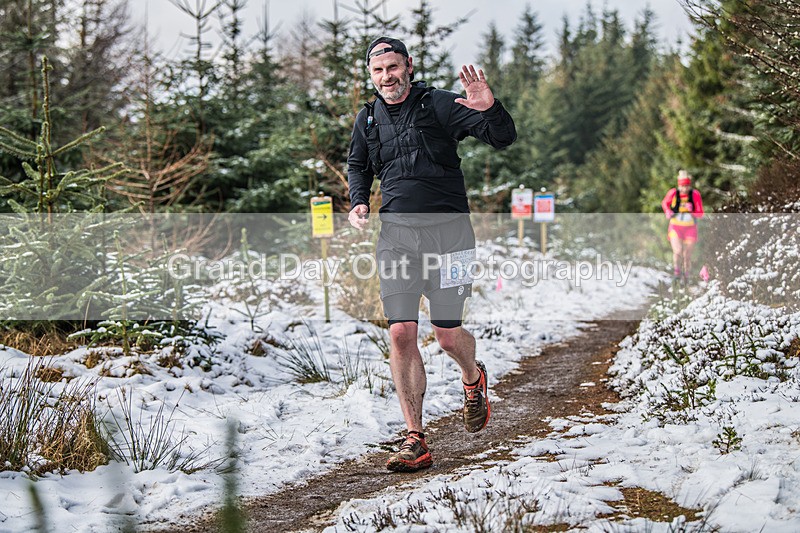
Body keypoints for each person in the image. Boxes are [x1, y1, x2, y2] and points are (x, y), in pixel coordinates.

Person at [347, 36, 516, 472]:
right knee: (401, 332)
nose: (387, 76)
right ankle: (415, 438)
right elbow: (358, 164)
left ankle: (472, 377)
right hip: (398, 237)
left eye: (394, 67)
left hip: (452, 237)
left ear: (408, 66)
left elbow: (502, 137)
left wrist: (488, 107)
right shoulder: (367, 119)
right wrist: (358, 199)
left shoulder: (439, 104)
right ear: (372, 75)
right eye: (379, 70)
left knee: (445, 335)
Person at [661, 170, 705, 284]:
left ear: (689, 185)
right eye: (681, 186)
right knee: (678, 251)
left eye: (686, 186)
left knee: (687, 254)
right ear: (678, 185)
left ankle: (686, 276)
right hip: (675, 227)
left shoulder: (695, 194)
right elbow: (664, 203)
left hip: (690, 228)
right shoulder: (673, 193)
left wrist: (692, 210)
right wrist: (668, 211)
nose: (684, 188)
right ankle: (677, 274)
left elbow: (700, 213)